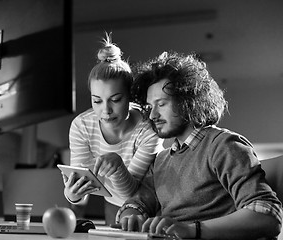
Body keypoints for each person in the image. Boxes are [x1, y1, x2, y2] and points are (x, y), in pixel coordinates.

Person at [116, 51, 283, 239]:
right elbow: (138, 202)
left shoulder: (223, 145)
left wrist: (191, 230)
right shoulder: (161, 160)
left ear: (189, 101)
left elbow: (268, 215)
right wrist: (131, 214)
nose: (153, 115)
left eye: (161, 104)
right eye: (149, 107)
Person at [61, 33, 163, 225]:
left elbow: (131, 195)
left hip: (152, 205)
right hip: (112, 204)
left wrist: (117, 167)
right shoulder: (82, 125)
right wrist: (72, 194)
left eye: (116, 100)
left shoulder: (149, 128)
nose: (105, 110)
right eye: (97, 101)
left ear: (130, 96)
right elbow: (83, 183)